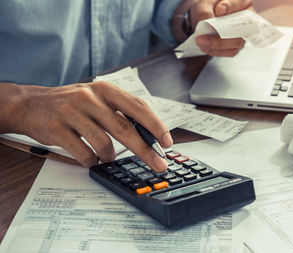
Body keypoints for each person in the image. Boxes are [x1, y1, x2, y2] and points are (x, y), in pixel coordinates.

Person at [0, 0, 252, 171]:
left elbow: (162, 7)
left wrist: (192, 15)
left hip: (133, 129)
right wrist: (21, 104)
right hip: (19, 155)